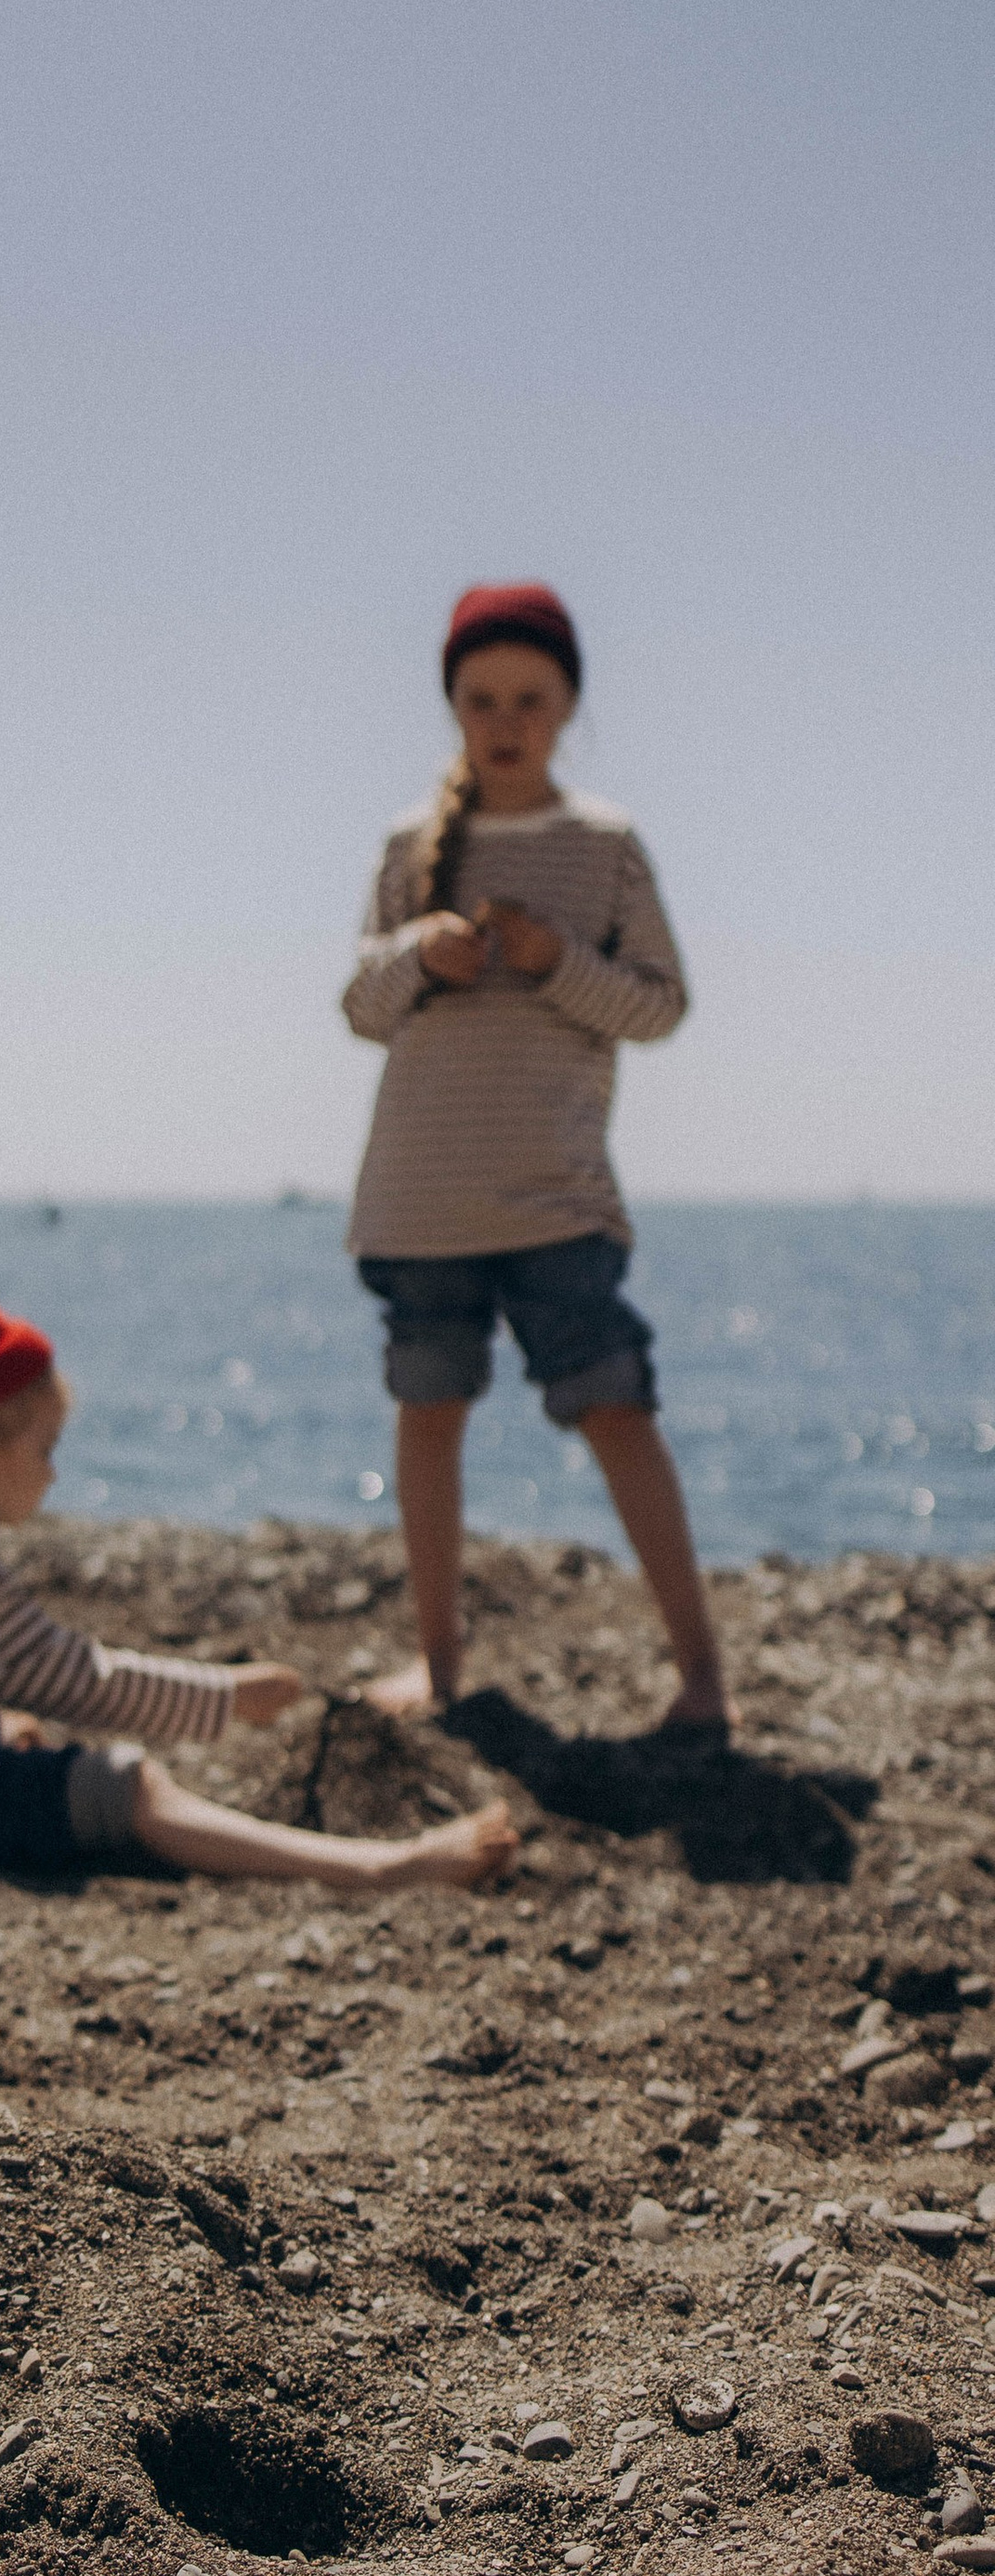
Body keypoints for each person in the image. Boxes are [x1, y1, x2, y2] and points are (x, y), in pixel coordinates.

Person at [0, 1295, 517, 1890]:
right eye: (45, 1448)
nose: (54, 1472)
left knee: (19, 1734)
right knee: (128, 1786)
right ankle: (380, 1869)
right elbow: (86, 1684)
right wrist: (228, 1697)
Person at [342, 581, 727, 1729]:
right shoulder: (408, 846)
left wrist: (557, 962)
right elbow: (359, 1008)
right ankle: (439, 1671)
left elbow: (660, 1009)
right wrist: (422, 956)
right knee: (429, 1418)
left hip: (557, 1197)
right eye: (481, 700)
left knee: (616, 1412)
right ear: (451, 707)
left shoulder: (604, 848)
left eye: (529, 700)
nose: (505, 722)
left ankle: (702, 1680)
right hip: (419, 1202)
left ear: (568, 708)